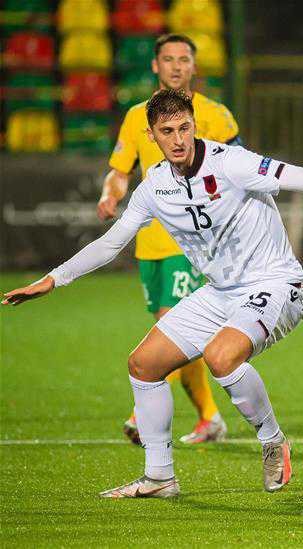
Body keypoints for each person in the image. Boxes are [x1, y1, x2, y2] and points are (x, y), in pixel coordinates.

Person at [3, 89, 303, 498]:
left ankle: (273, 441)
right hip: (220, 292)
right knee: (143, 365)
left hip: (277, 283)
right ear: (151, 135)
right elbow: (112, 243)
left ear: (194, 126)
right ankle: (159, 477)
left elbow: (299, 176)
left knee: (221, 357)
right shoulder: (153, 187)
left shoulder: (230, 163)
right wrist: (54, 279)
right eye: (167, 131)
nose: (178, 139)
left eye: (184, 128)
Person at [98, 34, 240, 445]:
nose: (177, 66)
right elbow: (121, 168)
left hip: (195, 241)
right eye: (168, 59)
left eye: (184, 59)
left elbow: (241, 169)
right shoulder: (136, 116)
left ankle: (142, 417)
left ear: (195, 67)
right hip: (150, 244)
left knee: (169, 322)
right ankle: (210, 418)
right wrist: (111, 193)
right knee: (178, 331)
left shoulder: (216, 116)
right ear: (155, 66)